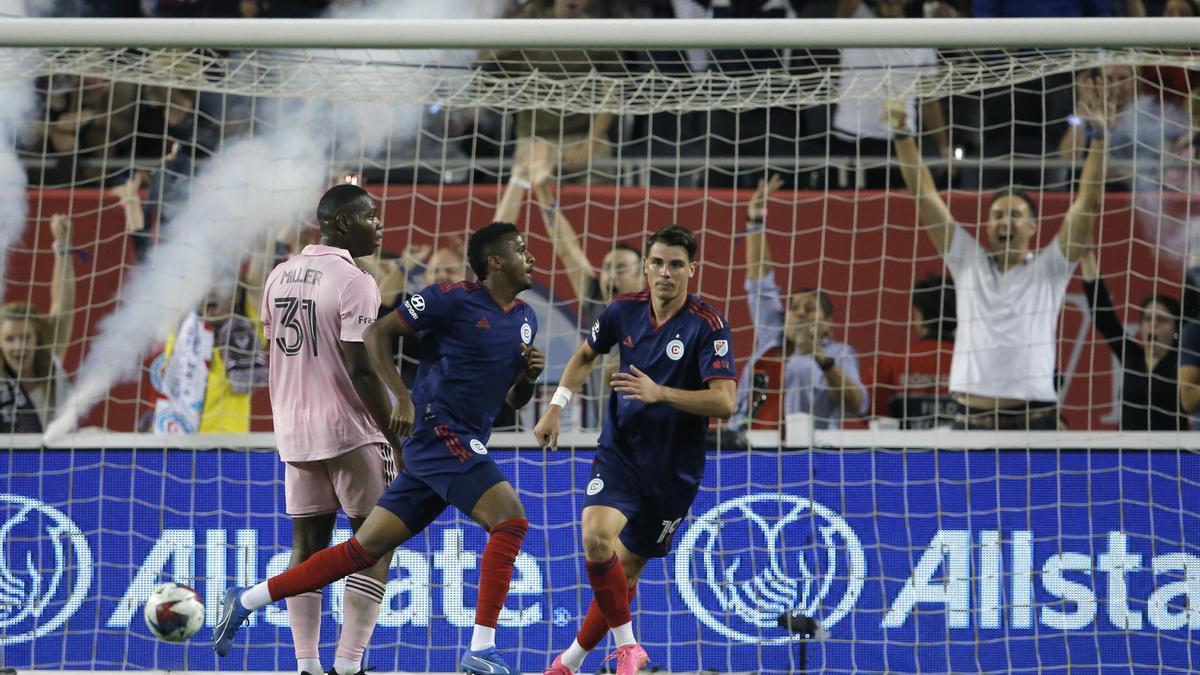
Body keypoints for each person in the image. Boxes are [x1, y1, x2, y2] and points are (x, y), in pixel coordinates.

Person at [215, 221, 544, 675]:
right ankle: (481, 648)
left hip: (461, 440)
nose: (531, 258)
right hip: (438, 432)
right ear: (494, 261)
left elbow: (513, 400)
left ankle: (247, 599)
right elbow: (376, 334)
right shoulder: (450, 298)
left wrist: (528, 379)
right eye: (521, 250)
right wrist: (402, 397)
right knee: (510, 521)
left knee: (363, 551)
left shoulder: (527, 319)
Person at [532, 225, 737, 675]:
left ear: (692, 270)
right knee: (595, 534)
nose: (666, 272)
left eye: (677, 265)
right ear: (646, 266)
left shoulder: (709, 324)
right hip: (620, 451)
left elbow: (724, 401)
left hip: (673, 471)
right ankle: (628, 647)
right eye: (658, 262)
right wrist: (555, 407)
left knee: (623, 576)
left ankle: (569, 663)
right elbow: (585, 355)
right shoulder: (623, 311)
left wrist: (659, 393)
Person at [227, 184, 400, 675]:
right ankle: (348, 665)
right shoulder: (354, 280)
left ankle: (305, 664)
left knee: (307, 550)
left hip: (294, 433)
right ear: (343, 224)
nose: (380, 225)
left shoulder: (278, 276)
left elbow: (279, 348)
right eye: (371, 216)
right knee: (373, 544)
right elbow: (362, 369)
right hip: (351, 431)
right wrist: (392, 435)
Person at [889, 87, 1109, 429]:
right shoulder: (966, 261)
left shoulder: (1051, 267)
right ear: (987, 226)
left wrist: (1097, 138)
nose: (1004, 222)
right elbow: (924, 195)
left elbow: (1087, 202)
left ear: (1033, 227)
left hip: (1033, 422)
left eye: (1014, 215)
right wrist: (902, 135)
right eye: (997, 215)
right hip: (970, 421)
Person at [730, 176, 867, 431]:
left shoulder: (840, 354)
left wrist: (823, 360)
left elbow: (858, 405)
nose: (799, 314)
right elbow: (761, 279)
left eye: (810, 309)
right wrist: (755, 218)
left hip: (806, 454)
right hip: (747, 448)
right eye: (793, 308)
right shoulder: (772, 333)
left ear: (826, 324)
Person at [1080, 251, 1187, 430]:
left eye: (1160, 320)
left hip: (1170, 454)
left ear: (1176, 327)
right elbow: (1103, 317)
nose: (1152, 326)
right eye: (1147, 319)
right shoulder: (1132, 356)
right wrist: (1086, 256)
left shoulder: (1183, 362)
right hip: (1128, 451)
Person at [1, 214, 77, 433]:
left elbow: (63, 306)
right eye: (10, 339)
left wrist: (63, 248)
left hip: (55, 463)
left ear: (37, 339)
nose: (18, 347)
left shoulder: (50, 365)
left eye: (25, 337)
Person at [868, 274, 957, 427]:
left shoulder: (891, 364)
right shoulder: (975, 364)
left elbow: (868, 409)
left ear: (919, 315)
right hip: (965, 450)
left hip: (906, 450)